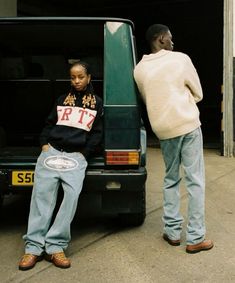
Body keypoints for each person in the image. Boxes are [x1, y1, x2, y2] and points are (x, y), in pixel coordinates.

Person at [134, 24, 213, 254]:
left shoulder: (139, 69)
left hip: (163, 129)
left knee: (170, 178)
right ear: (160, 39)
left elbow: (147, 98)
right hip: (186, 124)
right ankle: (196, 237)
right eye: (170, 38)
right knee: (195, 180)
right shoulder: (181, 59)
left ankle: (172, 232)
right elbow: (198, 93)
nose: (173, 42)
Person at [19, 61, 103, 270]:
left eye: (80, 77)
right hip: (52, 152)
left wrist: (84, 154)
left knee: (71, 198)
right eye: (73, 77)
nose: (76, 81)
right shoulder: (61, 100)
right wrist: (44, 144)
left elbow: (97, 133)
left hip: (76, 157)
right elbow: (49, 124)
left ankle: (55, 246)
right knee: (42, 197)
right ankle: (33, 248)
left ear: (89, 77)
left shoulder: (97, 103)